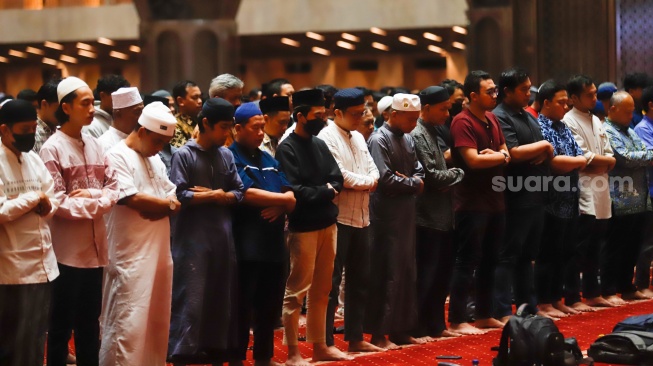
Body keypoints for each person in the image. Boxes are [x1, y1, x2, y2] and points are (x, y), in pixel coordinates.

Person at [40, 76, 119, 366]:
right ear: (66, 107)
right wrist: (98, 202)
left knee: (89, 325)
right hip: (66, 252)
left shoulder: (96, 145)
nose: (92, 108)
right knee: (60, 326)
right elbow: (57, 202)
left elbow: (115, 189)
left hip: (96, 249)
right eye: (85, 103)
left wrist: (91, 197)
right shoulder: (52, 148)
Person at [100, 102, 180, 366]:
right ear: (143, 130)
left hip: (158, 254)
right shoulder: (116, 155)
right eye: (158, 141)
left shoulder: (155, 158)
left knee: (156, 320)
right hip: (129, 256)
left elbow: (172, 192)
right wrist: (167, 206)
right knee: (128, 322)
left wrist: (167, 205)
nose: (160, 148)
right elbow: (131, 198)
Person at [168, 98, 245, 365]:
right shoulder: (183, 155)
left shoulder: (225, 154)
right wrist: (216, 195)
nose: (228, 134)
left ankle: (214, 349)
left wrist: (215, 195)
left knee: (219, 298)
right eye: (224, 127)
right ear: (205, 124)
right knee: (191, 298)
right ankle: (183, 352)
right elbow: (178, 195)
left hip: (222, 238)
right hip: (192, 239)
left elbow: (238, 191)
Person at [275, 89, 346, 366]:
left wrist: (324, 190)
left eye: (324, 113)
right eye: (318, 115)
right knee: (296, 291)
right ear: (301, 116)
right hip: (303, 227)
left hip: (328, 223)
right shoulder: (287, 148)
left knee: (323, 290)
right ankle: (293, 352)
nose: (323, 119)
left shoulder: (319, 144)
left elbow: (337, 178)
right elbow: (296, 191)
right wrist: (326, 191)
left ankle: (319, 346)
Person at [229, 102, 296, 366]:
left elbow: (290, 192)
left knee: (268, 306)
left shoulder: (269, 158)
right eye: (255, 128)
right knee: (242, 307)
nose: (260, 133)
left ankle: (264, 357)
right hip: (246, 244)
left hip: (272, 243)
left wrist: (283, 203)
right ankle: (235, 358)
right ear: (238, 128)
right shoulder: (231, 156)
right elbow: (246, 194)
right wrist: (283, 201)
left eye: (261, 128)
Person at [317, 88, 383, 353]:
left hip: (362, 217)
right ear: (338, 113)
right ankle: (326, 342)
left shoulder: (357, 136)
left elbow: (374, 169)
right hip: (338, 218)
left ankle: (355, 338)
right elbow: (341, 177)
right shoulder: (326, 137)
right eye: (355, 114)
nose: (360, 119)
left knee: (360, 280)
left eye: (363, 113)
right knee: (330, 284)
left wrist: (367, 182)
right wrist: (369, 183)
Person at [448, 70, 509, 335]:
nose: (495, 95)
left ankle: (484, 314)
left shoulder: (493, 118)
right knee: (467, 261)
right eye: (490, 91)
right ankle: (458, 319)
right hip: (471, 203)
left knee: (490, 260)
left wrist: (497, 156)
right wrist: (501, 157)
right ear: (473, 95)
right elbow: (473, 160)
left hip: (495, 200)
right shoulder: (462, 122)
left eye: (496, 90)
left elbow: (507, 151)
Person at [0, 100, 59, 366]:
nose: (31, 134)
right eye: (25, 128)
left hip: (44, 263)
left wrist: (43, 202)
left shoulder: (34, 159)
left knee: (35, 340)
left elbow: (53, 196)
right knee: (12, 343)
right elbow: (1, 210)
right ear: (5, 130)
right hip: (12, 269)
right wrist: (35, 198)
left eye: (34, 128)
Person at [492, 68, 553, 322]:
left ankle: (528, 306)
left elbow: (540, 153)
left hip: (536, 192)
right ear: (507, 92)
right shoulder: (500, 116)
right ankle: (502, 309)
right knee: (509, 254)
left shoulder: (527, 116)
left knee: (528, 255)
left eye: (530, 88)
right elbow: (515, 153)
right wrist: (544, 148)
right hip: (515, 193)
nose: (529, 93)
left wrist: (540, 151)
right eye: (524, 89)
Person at [365, 93, 425, 348]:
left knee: (406, 271)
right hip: (386, 216)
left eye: (416, 120)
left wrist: (411, 180)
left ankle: (400, 329)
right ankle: (379, 333)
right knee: (386, 271)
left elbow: (420, 170)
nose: (413, 124)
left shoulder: (409, 138)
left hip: (406, 212)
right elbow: (385, 179)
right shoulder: (379, 140)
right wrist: (412, 182)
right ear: (394, 114)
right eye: (410, 119)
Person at [411, 86, 464, 340]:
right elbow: (433, 176)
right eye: (443, 109)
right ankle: (421, 327)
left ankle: (436, 325)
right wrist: (461, 172)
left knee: (442, 276)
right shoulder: (417, 134)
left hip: (443, 216)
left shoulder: (434, 131)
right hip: (427, 218)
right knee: (427, 276)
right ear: (427, 108)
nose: (447, 113)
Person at [534, 80, 588, 318]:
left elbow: (576, 155)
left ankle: (557, 298)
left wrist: (576, 161)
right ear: (546, 102)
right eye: (561, 102)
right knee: (548, 253)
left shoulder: (562, 126)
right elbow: (555, 163)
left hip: (570, 197)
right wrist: (578, 161)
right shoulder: (540, 126)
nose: (565, 107)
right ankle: (544, 302)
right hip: (550, 200)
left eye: (567, 102)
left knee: (565, 252)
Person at [562, 75, 616, 310]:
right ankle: (573, 296)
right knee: (579, 246)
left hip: (602, 187)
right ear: (574, 98)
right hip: (584, 186)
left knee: (597, 243)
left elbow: (609, 154)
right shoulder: (568, 120)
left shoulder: (596, 119)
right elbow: (584, 158)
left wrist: (603, 161)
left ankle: (593, 293)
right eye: (590, 95)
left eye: (595, 93)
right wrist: (603, 161)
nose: (595, 98)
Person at [602, 91, 653, 303]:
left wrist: (645, 156)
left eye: (632, 110)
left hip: (639, 198)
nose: (631, 115)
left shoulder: (629, 130)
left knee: (633, 245)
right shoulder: (607, 130)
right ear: (612, 109)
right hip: (620, 197)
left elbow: (642, 152)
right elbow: (623, 158)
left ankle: (626, 286)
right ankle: (609, 288)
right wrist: (647, 157)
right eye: (627, 111)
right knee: (615, 246)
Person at [633, 86, 653, 297]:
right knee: (647, 242)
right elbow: (649, 157)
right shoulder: (643, 128)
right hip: (648, 190)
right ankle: (641, 284)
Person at [97, 87, 143, 154]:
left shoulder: (141, 142)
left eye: (142, 111)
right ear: (118, 113)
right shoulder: (104, 144)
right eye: (137, 112)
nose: (141, 117)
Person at [438, 79, 465, 164]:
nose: (463, 104)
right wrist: (470, 152)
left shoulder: (453, 120)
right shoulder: (435, 124)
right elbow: (445, 155)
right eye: (459, 101)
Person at [170, 80, 202, 148]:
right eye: (195, 97)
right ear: (180, 101)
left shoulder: (202, 121)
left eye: (200, 97)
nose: (200, 101)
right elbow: (183, 154)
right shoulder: (175, 126)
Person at [34, 79, 61, 152]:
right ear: (44, 104)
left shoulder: (59, 129)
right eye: (61, 107)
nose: (65, 111)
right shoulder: (33, 134)